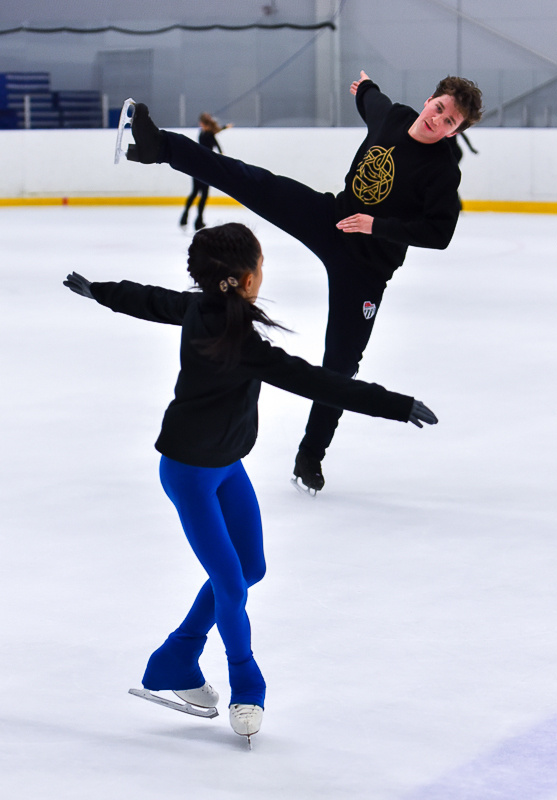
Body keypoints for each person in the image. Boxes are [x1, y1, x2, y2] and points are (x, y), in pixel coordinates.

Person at [63, 222, 438, 743]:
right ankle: (246, 683)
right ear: (245, 277)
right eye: (261, 263)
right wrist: (394, 406)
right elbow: (321, 382)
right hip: (190, 473)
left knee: (251, 568)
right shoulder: (240, 342)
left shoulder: (207, 311)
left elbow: (152, 300)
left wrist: (100, 291)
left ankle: (176, 656)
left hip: (226, 466)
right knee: (233, 582)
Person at [122, 70, 482, 493]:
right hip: (333, 221)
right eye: (438, 109)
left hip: (367, 267)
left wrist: (376, 226)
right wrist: (364, 87)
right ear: (429, 100)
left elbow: (440, 234)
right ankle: (159, 145)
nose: (437, 121)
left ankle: (311, 454)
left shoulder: (443, 171)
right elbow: (373, 101)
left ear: (455, 130)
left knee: (342, 365)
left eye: (449, 123)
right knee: (256, 183)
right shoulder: (394, 117)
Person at [179, 113, 232, 231]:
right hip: (206, 168)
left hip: (196, 167)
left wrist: (224, 127)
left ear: (202, 123)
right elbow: (218, 147)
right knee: (203, 196)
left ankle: (185, 217)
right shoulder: (208, 134)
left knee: (194, 193)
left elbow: (214, 134)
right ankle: (198, 221)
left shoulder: (202, 133)